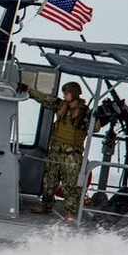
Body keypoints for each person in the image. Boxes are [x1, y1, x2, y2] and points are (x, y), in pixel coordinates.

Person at [18, 80, 98, 222]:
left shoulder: (86, 113)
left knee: (70, 184)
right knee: (49, 181)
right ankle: (47, 205)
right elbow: (44, 99)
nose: (64, 96)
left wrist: (101, 118)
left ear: (74, 94)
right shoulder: (61, 106)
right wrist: (29, 89)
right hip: (55, 151)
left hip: (71, 155)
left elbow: (95, 127)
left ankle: (70, 212)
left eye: (66, 93)